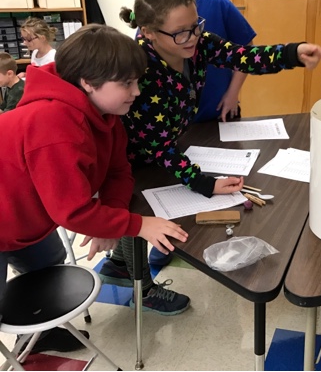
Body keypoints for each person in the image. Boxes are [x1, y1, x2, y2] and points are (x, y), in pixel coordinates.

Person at [96, 0, 321, 315]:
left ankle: (119, 263)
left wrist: (292, 53)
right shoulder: (142, 69)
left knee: (142, 213)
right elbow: (158, 148)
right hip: (130, 156)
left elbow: (243, 57)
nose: (192, 38)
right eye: (180, 32)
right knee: (135, 213)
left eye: (196, 26)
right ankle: (142, 288)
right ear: (148, 32)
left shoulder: (196, 43)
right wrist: (206, 184)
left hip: (161, 147)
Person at [0, 24, 188, 353]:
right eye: (126, 83)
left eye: (136, 81)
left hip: (23, 217)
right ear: (88, 82)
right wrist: (137, 224)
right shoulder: (53, 122)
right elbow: (72, 212)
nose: (136, 91)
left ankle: (41, 336)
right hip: (7, 217)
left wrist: (110, 218)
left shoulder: (105, 113)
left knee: (50, 262)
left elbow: (119, 170)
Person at [136, 0, 257, 267]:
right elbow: (158, 145)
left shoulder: (214, 7)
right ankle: (164, 246)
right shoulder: (151, 27)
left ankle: (206, 238)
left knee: (214, 177)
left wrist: (233, 93)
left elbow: (245, 52)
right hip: (171, 131)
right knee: (173, 185)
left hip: (215, 112)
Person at [136, 0, 256, 124]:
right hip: (174, 121)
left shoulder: (217, 4)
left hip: (218, 110)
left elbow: (246, 50)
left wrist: (233, 93)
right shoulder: (151, 17)